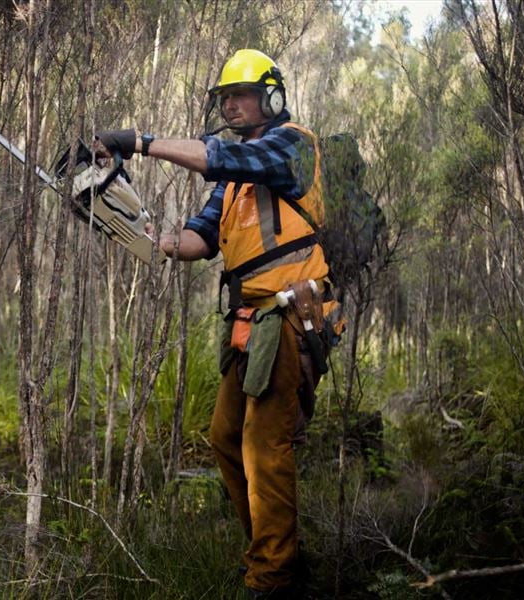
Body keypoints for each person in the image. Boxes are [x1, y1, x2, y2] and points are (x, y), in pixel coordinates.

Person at [96, 49, 328, 599]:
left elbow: (223, 159)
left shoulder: (291, 145)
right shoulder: (231, 183)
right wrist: (133, 231)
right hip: (250, 322)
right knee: (225, 438)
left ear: (271, 98)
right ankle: (275, 556)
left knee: (263, 445)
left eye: (241, 94)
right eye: (225, 96)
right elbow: (199, 241)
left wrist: (141, 142)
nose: (231, 104)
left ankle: (271, 580)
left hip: (291, 315)